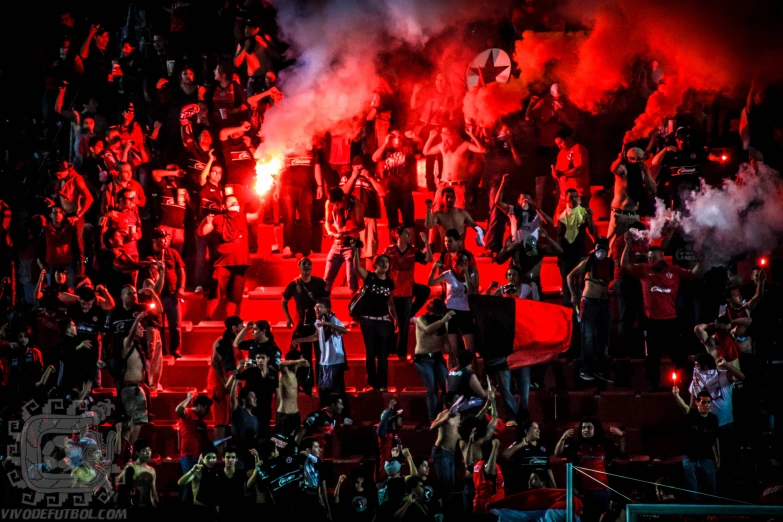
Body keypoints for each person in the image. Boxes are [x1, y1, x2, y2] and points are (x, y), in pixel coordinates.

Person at [622, 233, 702, 390]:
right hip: (652, 322)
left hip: (671, 321)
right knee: (653, 356)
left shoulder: (674, 270)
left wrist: (699, 262)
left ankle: (683, 382)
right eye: (650, 258)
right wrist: (627, 245)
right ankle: (653, 384)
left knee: (678, 355)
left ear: (662, 257)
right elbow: (624, 266)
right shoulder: (644, 270)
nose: (651, 260)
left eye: (654, 258)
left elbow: (692, 274)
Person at [197, 194, 261, 318]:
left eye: (236, 201)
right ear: (223, 206)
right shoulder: (218, 218)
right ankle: (207, 319)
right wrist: (205, 220)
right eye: (230, 201)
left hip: (240, 263)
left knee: (234, 296)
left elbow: (257, 217)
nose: (234, 203)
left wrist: (263, 201)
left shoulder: (243, 217)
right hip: (222, 262)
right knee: (215, 292)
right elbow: (201, 232)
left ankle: (230, 324)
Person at [292, 297, 353, 424]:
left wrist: (329, 324)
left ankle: (347, 416)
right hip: (323, 361)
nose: (316, 309)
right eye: (316, 307)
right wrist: (301, 340)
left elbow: (344, 330)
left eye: (320, 307)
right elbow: (316, 336)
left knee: (339, 390)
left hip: (335, 361)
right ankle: (324, 417)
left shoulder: (332, 319)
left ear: (327, 309)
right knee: (322, 390)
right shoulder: (318, 321)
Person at [555, 418, 625, 520]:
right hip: (583, 492)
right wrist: (562, 439)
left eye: (589, 427)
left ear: (595, 429)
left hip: (603, 491)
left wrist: (621, 437)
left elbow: (622, 453)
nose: (585, 430)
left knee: (603, 518)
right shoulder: (576, 445)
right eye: (583, 428)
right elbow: (557, 454)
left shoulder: (606, 444)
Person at [567, 237, 615, 382]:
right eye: (598, 247)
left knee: (603, 339)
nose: (601, 251)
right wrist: (573, 294)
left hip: (604, 303)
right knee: (587, 337)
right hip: (589, 303)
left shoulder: (610, 263)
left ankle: (602, 370)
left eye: (603, 248)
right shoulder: (588, 262)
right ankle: (586, 369)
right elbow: (570, 276)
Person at [353, 248, 398, 392]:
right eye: (382, 261)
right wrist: (355, 251)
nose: (385, 264)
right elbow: (357, 267)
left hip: (384, 321)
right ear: (375, 264)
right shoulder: (370, 277)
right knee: (371, 352)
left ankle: (382, 385)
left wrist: (395, 319)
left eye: (387, 262)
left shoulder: (390, 283)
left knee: (383, 354)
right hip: (368, 321)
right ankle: (372, 384)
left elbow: (390, 303)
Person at [282, 257, 329, 394]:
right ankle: (307, 385)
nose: (307, 266)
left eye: (309, 264)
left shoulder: (319, 283)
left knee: (321, 355)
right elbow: (284, 301)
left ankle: (322, 383)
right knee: (306, 356)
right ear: (299, 267)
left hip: (317, 322)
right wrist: (288, 318)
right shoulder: (294, 284)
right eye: (304, 264)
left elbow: (327, 300)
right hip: (302, 324)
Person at [428, 234, 479, 358]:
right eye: (461, 261)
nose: (464, 263)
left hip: (466, 311)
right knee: (453, 349)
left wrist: (466, 272)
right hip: (451, 311)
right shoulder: (449, 274)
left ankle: (471, 373)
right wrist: (434, 269)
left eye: (466, 261)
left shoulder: (471, 274)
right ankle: (455, 372)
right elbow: (430, 283)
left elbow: (472, 290)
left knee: (470, 350)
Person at [386, 226, 433, 360]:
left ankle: (401, 353)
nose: (409, 236)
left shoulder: (413, 251)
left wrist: (426, 243)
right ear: (398, 235)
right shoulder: (389, 251)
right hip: (393, 290)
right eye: (407, 234)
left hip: (407, 289)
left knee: (404, 324)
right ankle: (390, 350)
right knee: (394, 321)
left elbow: (428, 260)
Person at [652, 126, 722, 211]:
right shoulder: (672, 152)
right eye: (683, 140)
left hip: (693, 192)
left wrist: (717, 158)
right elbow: (655, 162)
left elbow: (707, 155)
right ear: (677, 140)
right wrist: (665, 149)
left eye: (687, 140)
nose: (686, 143)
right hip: (676, 194)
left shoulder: (695, 150)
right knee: (676, 216)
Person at [277, 140, 324, 258]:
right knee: (289, 220)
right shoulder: (287, 145)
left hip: (306, 188)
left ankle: (306, 250)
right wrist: (277, 187)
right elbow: (279, 168)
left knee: (307, 220)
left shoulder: (312, 145)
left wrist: (320, 185)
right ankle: (287, 247)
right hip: (287, 188)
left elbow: (316, 166)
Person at [673, 388, 720, 502]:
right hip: (690, 458)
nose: (707, 405)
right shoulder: (692, 415)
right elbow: (684, 406)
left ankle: (710, 515)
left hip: (706, 457)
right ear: (697, 402)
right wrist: (676, 395)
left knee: (711, 489)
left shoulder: (713, 419)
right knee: (692, 490)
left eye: (709, 402)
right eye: (703, 402)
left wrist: (718, 458)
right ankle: (692, 514)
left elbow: (715, 440)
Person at [424, 126, 487, 211]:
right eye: (442, 134)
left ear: (454, 134)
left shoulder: (464, 145)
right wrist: (430, 138)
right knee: (436, 209)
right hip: (443, 184)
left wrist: (472, 135)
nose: (444, 136)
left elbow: (482, 150)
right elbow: (426, 152)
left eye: (446, 134)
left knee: (459, 212)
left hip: (459, 185)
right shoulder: (442, 146)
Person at [340, 156, 386, 264]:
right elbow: (341, 193)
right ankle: (350, 279)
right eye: (357, 167)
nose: (360, 169)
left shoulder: (373, 175)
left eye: (362, 167)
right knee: (349, 253)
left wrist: (370, 177)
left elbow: (383, 191)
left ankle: (368, 279)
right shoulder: (346, 176)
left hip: (368, 216)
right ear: (353, 167)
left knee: (369, 252)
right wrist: (353, 177)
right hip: (351, 218)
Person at [414, 299, 454, 422]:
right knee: (431, 389)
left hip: (437, 357)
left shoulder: (443, 323)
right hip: (423, 358)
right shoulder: (421, 319)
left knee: (446, 386)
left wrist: (452, 353)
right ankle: (433, 418)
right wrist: (443, 320)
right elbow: (428, 330)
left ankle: (448, 414)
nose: (436, 316)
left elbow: (445, 342)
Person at [207, 316, 246, 442]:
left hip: (232, 386)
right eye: (242, 325)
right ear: (234, 327)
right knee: (221, 422)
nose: (244, 328)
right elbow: (215, 363)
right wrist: (225, 382)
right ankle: (218, 456)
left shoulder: (237, 343)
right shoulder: (221, 342)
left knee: (232, 420)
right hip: (219, 387)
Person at [557, 188, 597, 307]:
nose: (574, 199)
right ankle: (569, 310)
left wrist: (590, 218)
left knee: (581, 282)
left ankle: (582, 307)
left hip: (580, 252)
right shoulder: (562, 215)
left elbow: (592, 231)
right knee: (566, 283)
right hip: (566, 253)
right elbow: (559, 236)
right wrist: (559, 255)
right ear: (565, 198)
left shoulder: (584, 213)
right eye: (571, 197)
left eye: (576, 197)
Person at [149, 228, 185, 358]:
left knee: (175, 325)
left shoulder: (173, 253)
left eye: (166, 238)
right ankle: (159, 351)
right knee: (157, 326)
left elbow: (181, 271)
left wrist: (181, 288)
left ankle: (175, 351)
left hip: (172, 295)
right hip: (157, 297)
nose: (165, 241)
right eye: (161, 238)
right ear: (154, 240)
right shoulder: (150, 255)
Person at [373, 130, 419, 230]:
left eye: (399, 136)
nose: (397, 138)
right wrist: (385, 143)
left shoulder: (407, 149)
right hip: (390, 191)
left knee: (409, 222)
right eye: (393, 136)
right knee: (393, 223)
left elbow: (421, 147)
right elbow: (375, 158)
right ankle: (394, 245)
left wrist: (414, 136)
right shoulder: (385, 150)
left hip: (405, 190)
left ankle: (410, 244)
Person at [607, 147, 656, 240]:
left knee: (635, 244)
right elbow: (613, 169)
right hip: (619, 214)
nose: (636, 162)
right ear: (629, 159)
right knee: (611, 242)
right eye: (634, 159)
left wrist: (646, 172)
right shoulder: (624, 170)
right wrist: (619, 159)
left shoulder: (642, 172)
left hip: (633, 214)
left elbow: (653, 188)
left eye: (639, 159)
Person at [323, 187, 365, 293]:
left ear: (343, 198)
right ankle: (323, 307)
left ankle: (355, 307)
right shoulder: (329, 203)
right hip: (337, 244)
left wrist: (347, 233)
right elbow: (327, 221)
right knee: (326, 281)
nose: (336, 206)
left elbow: (361, 226)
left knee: (352, 281)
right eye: (334, 204)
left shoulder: (355, 204)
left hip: (351, 244)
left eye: (338, 203)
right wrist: (330, 232)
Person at [176, 392, 214, 503]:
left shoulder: (202, 422)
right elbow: (178, 410)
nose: (208, 412)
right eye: (206, 409)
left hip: (199, 458)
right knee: (189, 484)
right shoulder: (188, 413)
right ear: (200, 406)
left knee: (197, 486)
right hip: (188, 456)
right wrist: (189, 398)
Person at [119, 311, 150, 444]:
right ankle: (127, 451)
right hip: (129, 388)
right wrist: (136, 319)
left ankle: (131, 450)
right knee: (129, 422)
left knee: (139, 421)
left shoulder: (139, 347)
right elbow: (130, 335)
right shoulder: (127, 343)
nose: (142, 329)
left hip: (138, 387)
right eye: (139, 327)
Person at [502, 420, 556, 495]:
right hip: (523, 491)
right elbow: (505, 455)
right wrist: (522, 444)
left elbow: (548, 469)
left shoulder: (543, 446)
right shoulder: (519, 444)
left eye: (538, 428)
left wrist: (555, 488)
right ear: (526, 431)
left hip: (541, 490)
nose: (538, 431)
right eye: (534, 428)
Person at [235, 349, 278, 440]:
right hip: (252, 410)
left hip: (266, 410)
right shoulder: (251, 371)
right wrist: (239, 368)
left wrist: (278, 412)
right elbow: (237, 379)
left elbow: (277, 394)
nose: (260, 360)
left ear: (268, 358)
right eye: (258, 358)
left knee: (265, 435)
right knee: (252, 436)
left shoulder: (273, 374)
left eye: (263, 358)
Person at [424, 187, 484, 252]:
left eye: (452, 197)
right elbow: (428, 225)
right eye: (447, 197)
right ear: (442, 199)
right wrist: (428, 208)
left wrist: (480, 234)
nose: (449, 199)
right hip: (446, 252)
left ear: (455, 198)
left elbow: (475, 226)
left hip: (460, 252)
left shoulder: (462, 213)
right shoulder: (438, 215)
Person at [551, 127, 591, 221]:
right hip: (564, 196)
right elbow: (558, 172)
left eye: (560, 143)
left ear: (568, 139)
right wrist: (555, 173)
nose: (559, 146)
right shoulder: (561, 153)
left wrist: (562, 173)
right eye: (557, 144)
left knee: (574, 225)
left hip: (577, 194)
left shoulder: (578, 149)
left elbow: (579, 169)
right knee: (557, 221)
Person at [40, 205, 84, 288]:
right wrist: (42, 263)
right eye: (55, 212)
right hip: (52, 262)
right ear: (50, 215)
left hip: (68, 261)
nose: (57, 214)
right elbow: (41, 246)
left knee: (71, 286)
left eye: (60, 212)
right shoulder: (46, 229)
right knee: (52, 287)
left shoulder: (70, 227)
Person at [429, 392, 462, 502]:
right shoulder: (444, 414)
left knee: (451, 483)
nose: (459, 402)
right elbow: (432, 427)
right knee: (445, 484)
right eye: (456, 400)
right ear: (450, 403)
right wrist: (446, 418)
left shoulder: (459, 416)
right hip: (441, 451)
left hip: (451, 453)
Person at [295, 437, 331, 522]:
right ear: (308, 450)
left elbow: (323, 490)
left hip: (314, 502)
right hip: (300, 503)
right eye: (316, 447)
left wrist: (328, 511)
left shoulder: (320, 465)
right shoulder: (299, 462)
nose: (319, 449)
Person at [276, 349, 310, 436]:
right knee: (281, 443)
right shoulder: (285, 373)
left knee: (294, 442)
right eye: (301, 358)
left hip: (295, 414)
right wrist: (298, 361)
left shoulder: (294, 375)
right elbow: (281, 364)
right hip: (285, 414)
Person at [117, 439, 158, 508]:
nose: (148, 453)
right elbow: (118, 482)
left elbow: (153, 491)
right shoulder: (130, 467)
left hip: (147, 507)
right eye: (144, 451)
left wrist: (157, 506)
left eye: (149, 450)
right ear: (137, 453)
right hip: (133, 506)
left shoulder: (152, 470)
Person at [177, 446, 220, 511]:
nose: (211, 460)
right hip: (200, 509)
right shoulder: (198, 471)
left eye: (214, 458)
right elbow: (180, 482)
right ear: (203, 458)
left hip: (212, 510)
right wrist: (192, 471)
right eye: (208, 457)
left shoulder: (216, 473)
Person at [473, 439, 504, 517]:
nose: (498, 451)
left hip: (479, 503)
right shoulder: (491, 466)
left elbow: (467, 464)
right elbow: (490, 472)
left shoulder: (478, 464)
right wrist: (494, 448)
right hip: (491, 506)